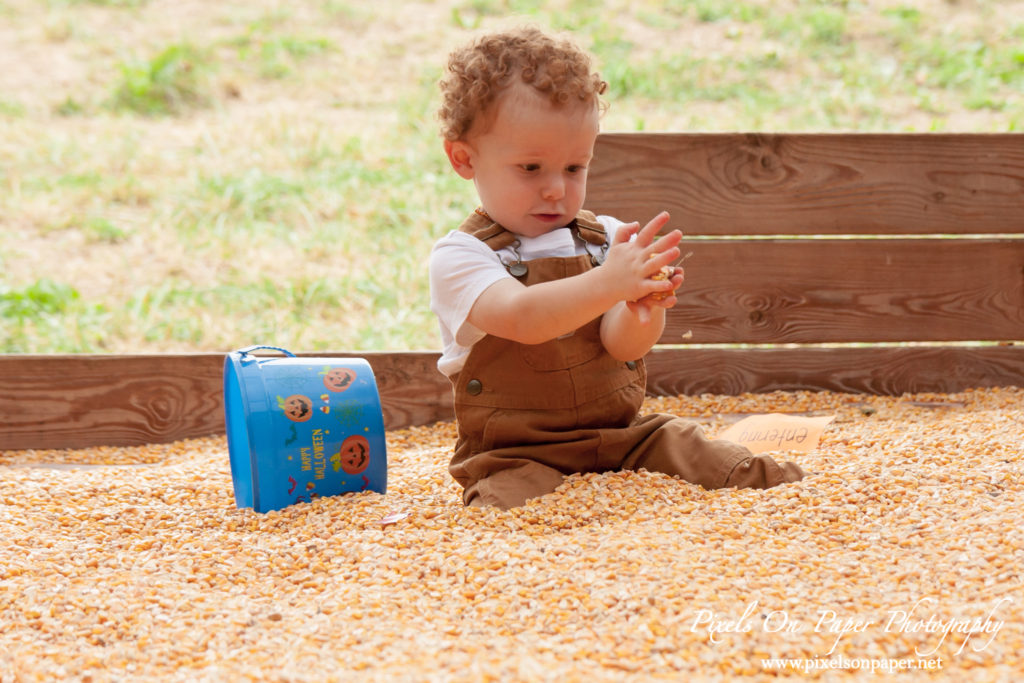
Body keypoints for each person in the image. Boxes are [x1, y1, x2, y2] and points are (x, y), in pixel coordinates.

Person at [429, 26, 805, 509]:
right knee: (508, 505)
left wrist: (642, 305)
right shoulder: (462, 256)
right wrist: (609, 282)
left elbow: (621, 346)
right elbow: (523, 317)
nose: (556, 190)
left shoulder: (602, 237)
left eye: (574, 168)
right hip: (516, 451)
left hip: (623, 437)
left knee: (697, 450)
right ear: (463, 158)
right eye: (530, 169)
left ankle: (790, 493)